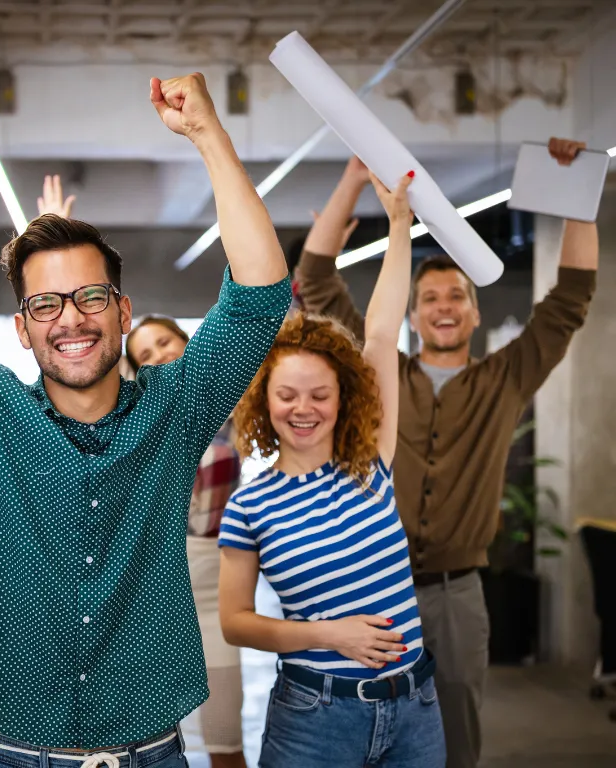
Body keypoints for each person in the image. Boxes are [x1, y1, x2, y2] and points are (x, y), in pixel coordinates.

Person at [0, 72, 291, 765]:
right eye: (45, 305)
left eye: (90, 296)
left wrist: (208, 134)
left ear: (123, 312)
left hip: (150, 751)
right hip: (12, 753)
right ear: (24, 330)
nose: (71, 319)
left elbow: (259, 298)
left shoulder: (177, 407)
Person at [295, 139, 598, 768]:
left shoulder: (505, 379)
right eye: (430, 298)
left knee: (456, 745)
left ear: (475, 309)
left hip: (458, 595)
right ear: (412, 312)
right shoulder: (381, 376)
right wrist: (354, 175)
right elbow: (317, 280)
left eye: (456, 296)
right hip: (371, 591)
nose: (443, 307)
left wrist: (576, 198)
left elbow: (569, 301)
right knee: (363, 740)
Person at [219, 170, 446, 767]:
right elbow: (236, 623)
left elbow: (379, 328)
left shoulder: (371, 462)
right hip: (314, 718)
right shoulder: (250, 506)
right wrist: (330, 634)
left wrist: (400, 226)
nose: (303, 409)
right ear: (264, 400)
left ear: (343, 398)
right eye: (288, 395)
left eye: (320, 395)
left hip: (415, 707)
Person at [126, 316, 246, 768]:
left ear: (186, 341)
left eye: (164, 342)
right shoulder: (136, 426)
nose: (159, 356)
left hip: (216, 598)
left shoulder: (231, 400)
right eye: (145, 355)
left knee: (223, 740)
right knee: (138, 749)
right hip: (150, 605)